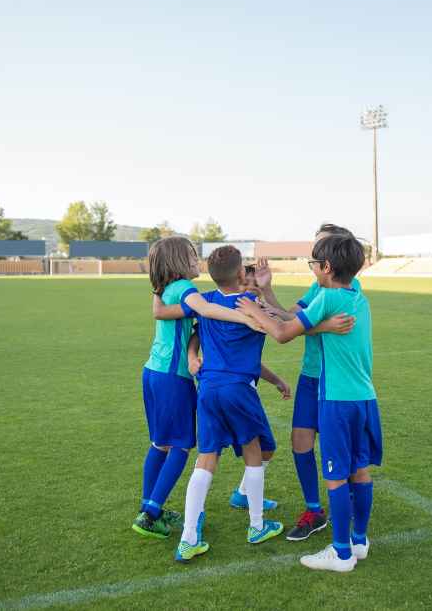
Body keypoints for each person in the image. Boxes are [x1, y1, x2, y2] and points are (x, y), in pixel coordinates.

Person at [238, 234, 380, 573]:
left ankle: (341, 554)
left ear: (327, 267)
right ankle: (359, 541)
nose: (312, 269)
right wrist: (321, 325)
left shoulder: (327, 296)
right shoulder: (357, 298)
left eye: (314, 263)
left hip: (336, 400)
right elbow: (297, 319)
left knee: (336, 476)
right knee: (359, 469)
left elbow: (283, 332)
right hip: (364, 398)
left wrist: (254, 309)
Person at [133, 236, 262, 539]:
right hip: (172, 377)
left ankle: (149, 507)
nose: (197, 261)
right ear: (179, 261)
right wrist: (245, 318)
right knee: (180, 445)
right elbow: (205, 309)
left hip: (152, 372)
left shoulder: (166, 289)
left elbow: (165, 312)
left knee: (159, 443)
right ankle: (151, 513)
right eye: (192, 256)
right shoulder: (185, 288)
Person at [174, 245, 290, 562]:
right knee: (254, 451)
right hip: (238, 390)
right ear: (241, 273)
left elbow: (196, 333)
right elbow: (287, 325)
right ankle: (257, 526)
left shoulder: (206, 301)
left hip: (208, 388)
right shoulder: (252, 306)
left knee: (206, 458)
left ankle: (188, 538)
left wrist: (192, 355)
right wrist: (266, 292)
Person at [252, 223, 360, 542]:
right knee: (300, 442)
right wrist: (266, 291)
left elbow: (292, 328)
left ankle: (350, 499)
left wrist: (315, 324)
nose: (315, 255)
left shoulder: (346, 286)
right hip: (310, 376)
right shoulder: (317, 287)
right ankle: (314, 511)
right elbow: (290, 317)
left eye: (320, 249)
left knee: (339, 447)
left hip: (335, 380)